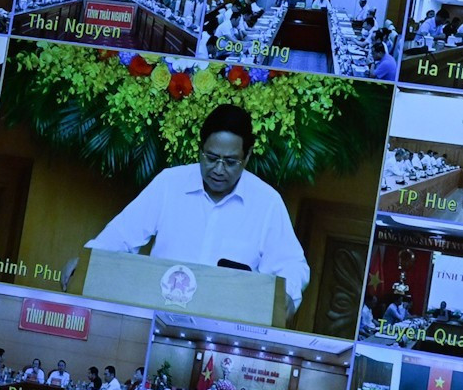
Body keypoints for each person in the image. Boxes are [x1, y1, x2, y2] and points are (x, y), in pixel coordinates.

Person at [85, 103, 310, 313]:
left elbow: (291, 265)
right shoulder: (170, 183)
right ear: (200, 149)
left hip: (226, 323)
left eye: (231, 162)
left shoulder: (266, 202)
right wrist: (86, 263)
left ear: (247, 156)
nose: (219, 169)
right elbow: (119, 238)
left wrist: (286, 296)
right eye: (211, 157)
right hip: (159, 310)